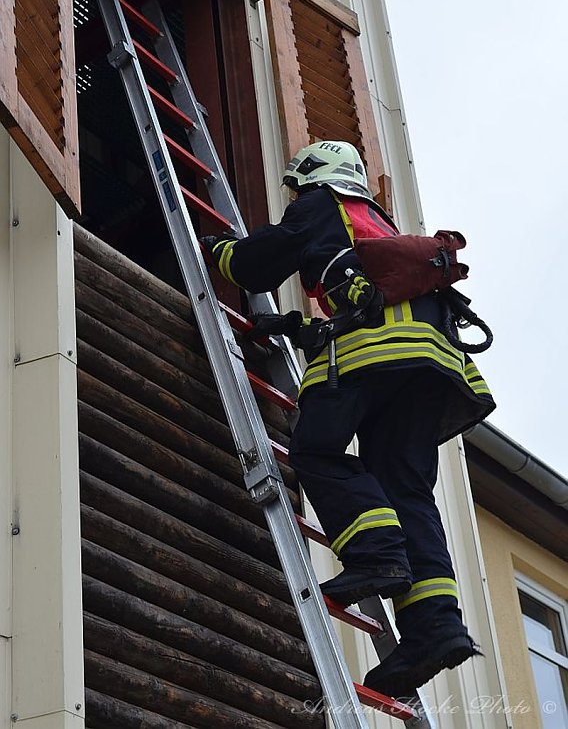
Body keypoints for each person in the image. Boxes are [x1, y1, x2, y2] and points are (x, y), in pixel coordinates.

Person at [201, 140, 496, 697]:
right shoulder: (379, 222)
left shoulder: (321, 203)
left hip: (373, 357)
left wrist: (218, 249)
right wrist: (297, 328)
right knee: (405, 487)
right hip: (433, 368)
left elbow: (260, 263)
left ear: (313, 176)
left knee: (317, 452)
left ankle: (377, 556)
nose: (294, 195)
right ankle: (434, 628)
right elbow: (362, 292)